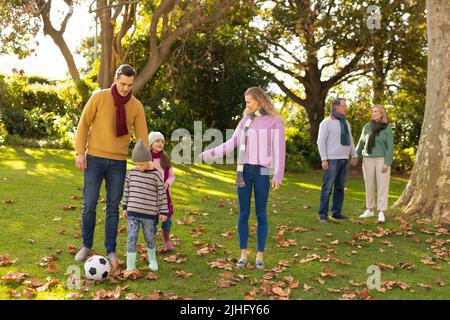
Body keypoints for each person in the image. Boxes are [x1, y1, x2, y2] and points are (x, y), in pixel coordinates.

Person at [200, 87, 285, 270]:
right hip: (244, 170)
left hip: (263, 171)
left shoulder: (275, 121)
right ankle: (243, 255)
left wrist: (278, 174)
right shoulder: (246, 120)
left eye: (248, 101)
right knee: (243, 213)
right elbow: (232, 143)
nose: (246, 105)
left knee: (261, 214)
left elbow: (280, 149)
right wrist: (211, 153)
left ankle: (260, 255)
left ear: (259, 100)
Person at [74, 64, 150, 266]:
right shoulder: (99, 97)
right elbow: (83, 124)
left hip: (118, 162)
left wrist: (146, 161)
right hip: (95, 159)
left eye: (130, 85)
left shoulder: (136, 106)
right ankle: (86, 246)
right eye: (123, 83)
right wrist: (80, 152)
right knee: (89, 204)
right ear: (116, 79)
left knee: (113, 208)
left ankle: (111, 251)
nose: (126, 88)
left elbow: (142, 138)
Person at [122, 139, 168, 272]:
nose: (140, 167)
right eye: (137, 164)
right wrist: (125, 207)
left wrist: (164, 211)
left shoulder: (156, 175)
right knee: (131, 237)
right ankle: (130, 265)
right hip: (132, 213)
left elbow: (162, 194)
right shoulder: (131, 173)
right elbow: (127, 190)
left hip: (149, 215)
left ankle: (152, 259)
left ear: (148, 160)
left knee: (150, 237)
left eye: (142, 164)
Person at [317, 98, 358, 223]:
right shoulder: (326, 122)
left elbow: (350, 140)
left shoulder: (346, 123)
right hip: (331, 159)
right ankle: (322, 214)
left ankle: (336, 213)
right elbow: (320, 141)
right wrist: (324, 159)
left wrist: (354, 155)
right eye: (343, 105)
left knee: (340, 187)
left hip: (344, 159)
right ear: (336, 107)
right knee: (327, 187)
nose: (346, 107)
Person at [356, 105, 394, 223]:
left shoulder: (387, 128)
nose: (373, 113)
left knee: (382, 185)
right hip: (367, 159)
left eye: (376, 112)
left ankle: (381, 212)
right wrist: (355, 156)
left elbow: (390, 147)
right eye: (372, 112)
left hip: (381, 160)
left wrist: (387, 163)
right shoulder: (367, 127)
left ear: (382, 114)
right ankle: (369, 209)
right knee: (369, 185)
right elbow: (361, 143)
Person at [148, 131, 176, 251]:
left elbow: (172, 176)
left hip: (165, 196)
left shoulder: (165, 159)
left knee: (167, 221)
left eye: (162, 141)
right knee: (152, 222)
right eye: (157, 141)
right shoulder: (147, 159)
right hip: (151, 197)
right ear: (150, 143)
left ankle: (166, 239)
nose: (160, 143)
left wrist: (167, 184)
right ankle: (151, 243)